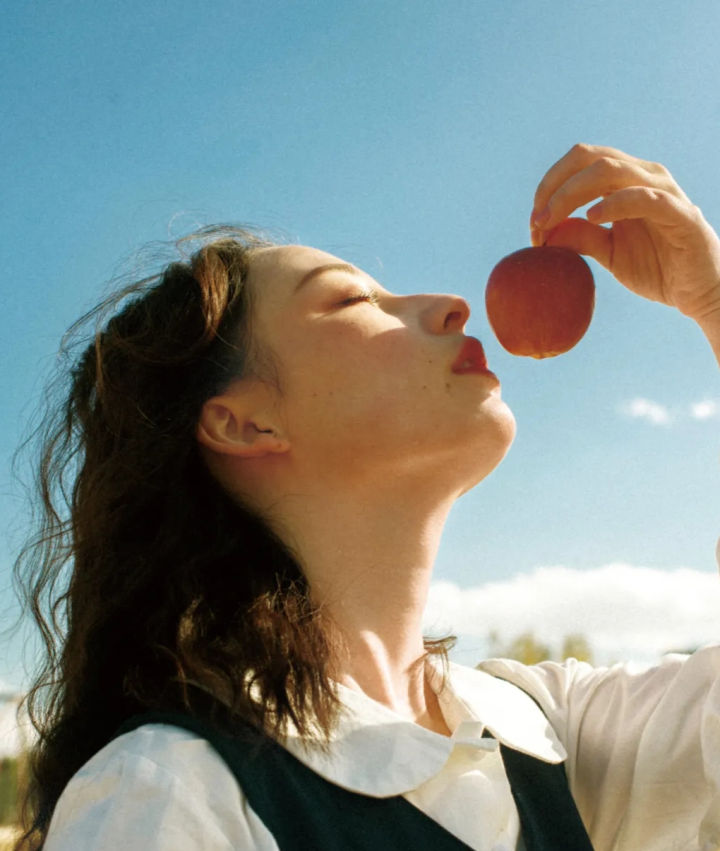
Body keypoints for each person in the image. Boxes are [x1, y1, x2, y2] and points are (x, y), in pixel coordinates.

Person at [12, 144, 720, 850]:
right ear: (245, 419)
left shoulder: (547, 730)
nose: (452, 305)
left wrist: (715, 301)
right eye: (352, 298)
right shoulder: (170, 794)